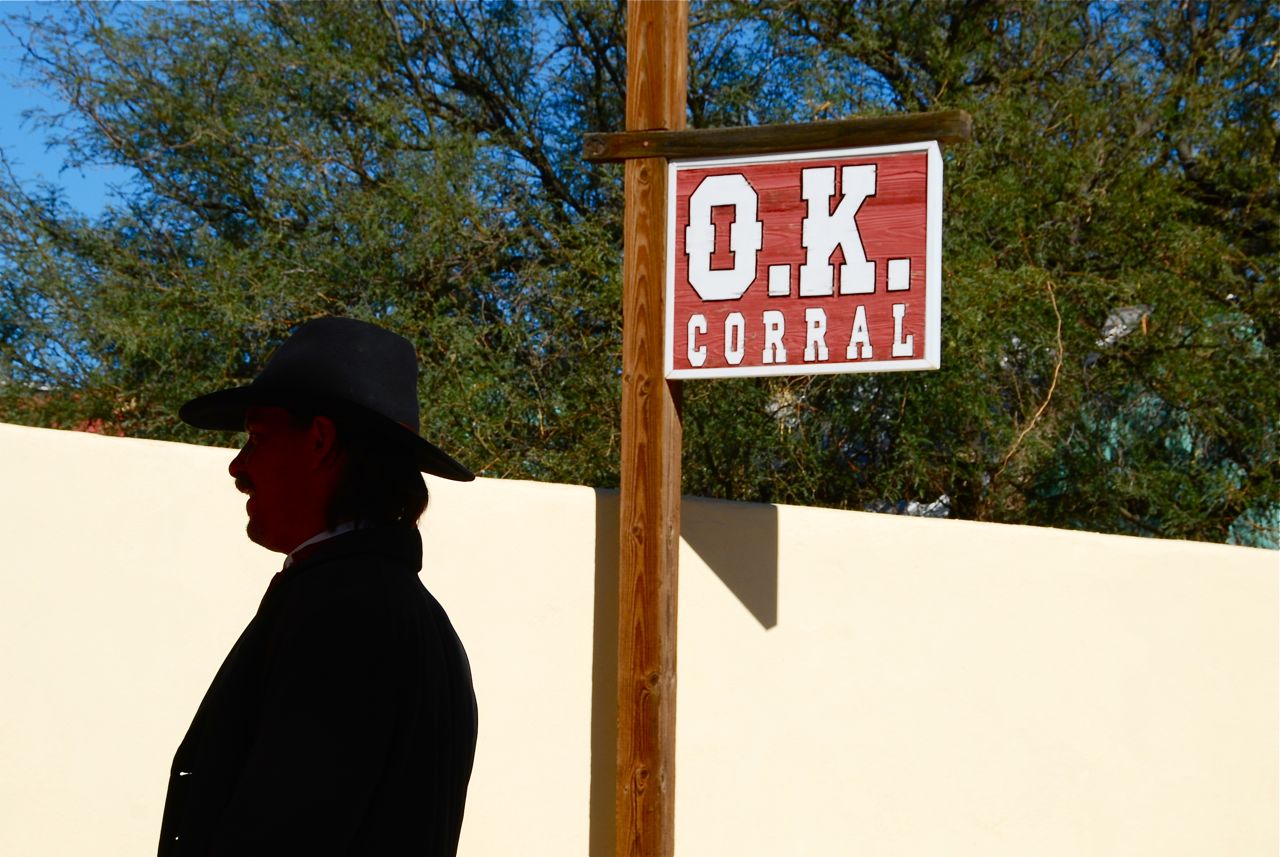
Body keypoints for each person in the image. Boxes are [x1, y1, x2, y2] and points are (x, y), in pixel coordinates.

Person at [159, 317, 478, 856]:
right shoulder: (397, 609)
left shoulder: (348, 615)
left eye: (257, 439)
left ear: (321, 442)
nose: (239, 467)